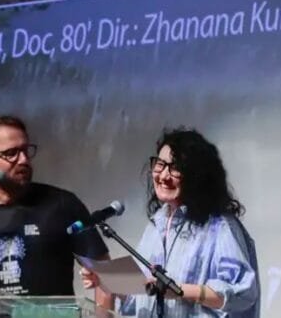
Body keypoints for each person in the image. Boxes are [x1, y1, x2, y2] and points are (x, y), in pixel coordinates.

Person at [82, 128, 260, 317]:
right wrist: (108, 282)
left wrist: (181, 291)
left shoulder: (219, 226)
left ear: (197, 175)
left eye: (175, 168)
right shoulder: (156, 225)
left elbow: (243, 292)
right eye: (160, 165)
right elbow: (143, 299)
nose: (164, 176)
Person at [0, 115, 109, 297]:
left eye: (26, 150)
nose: (23, 160)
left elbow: (105, 275)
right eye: (11, 153)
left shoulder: (63, 204)